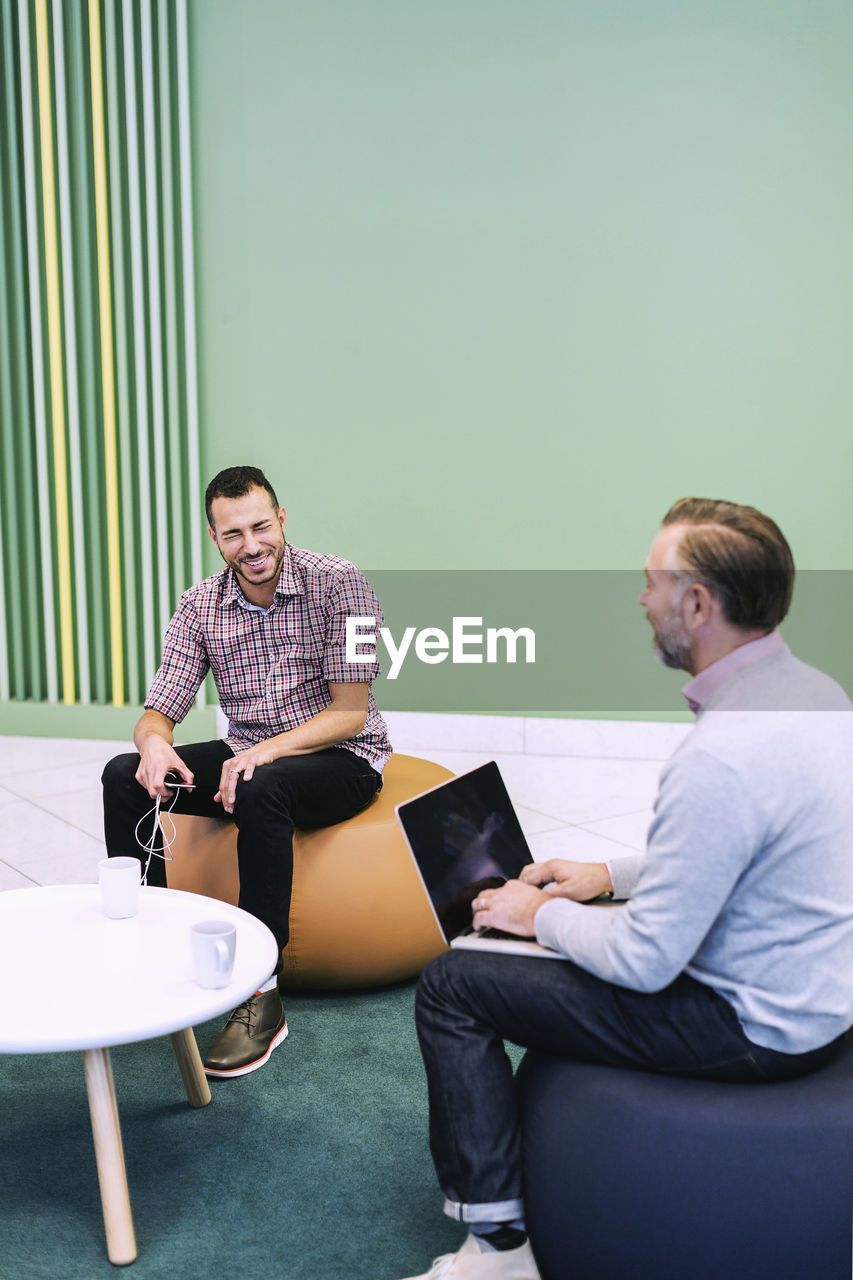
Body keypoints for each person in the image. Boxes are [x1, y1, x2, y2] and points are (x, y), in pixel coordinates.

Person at [400, 497, 853, 1280]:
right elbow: (758, 849)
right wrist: (609, 877)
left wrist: (539, 914)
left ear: (698, 603)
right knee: (532, 931)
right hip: (815, 991)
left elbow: (646, 962)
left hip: (744, 1027)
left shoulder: (720, 755)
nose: (639, 600)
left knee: (451, 983)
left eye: (649, 583)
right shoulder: (817, 694)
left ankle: (499, 1251)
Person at [102, 465, 391, 1078]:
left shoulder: (342, 584)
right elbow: (158, 713)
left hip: (344, 758)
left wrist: (265, 752)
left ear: (282, 520)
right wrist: (153, 745)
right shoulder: (200, 604)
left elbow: (349, 712)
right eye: (234, 534)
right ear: (215, 537)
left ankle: (262, 994)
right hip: (248, 755)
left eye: (261, 527)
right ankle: (149, 951)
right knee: (122, 774)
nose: (251, 545)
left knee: (261, 780)